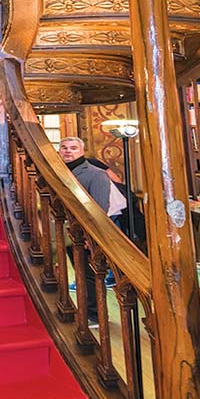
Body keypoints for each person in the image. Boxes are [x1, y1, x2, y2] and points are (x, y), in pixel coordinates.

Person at [56, 137, 128, 327]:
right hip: (68, 232)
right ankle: (84, 310)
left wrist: (92, 236)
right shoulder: (58, 171)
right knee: (78, 272)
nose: (68, 151)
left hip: (86, 233)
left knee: (89, 274)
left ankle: (94, 315)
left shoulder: (96, 174)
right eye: (64, 148)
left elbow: (100, 208)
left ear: (82, 151)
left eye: (73, 148)